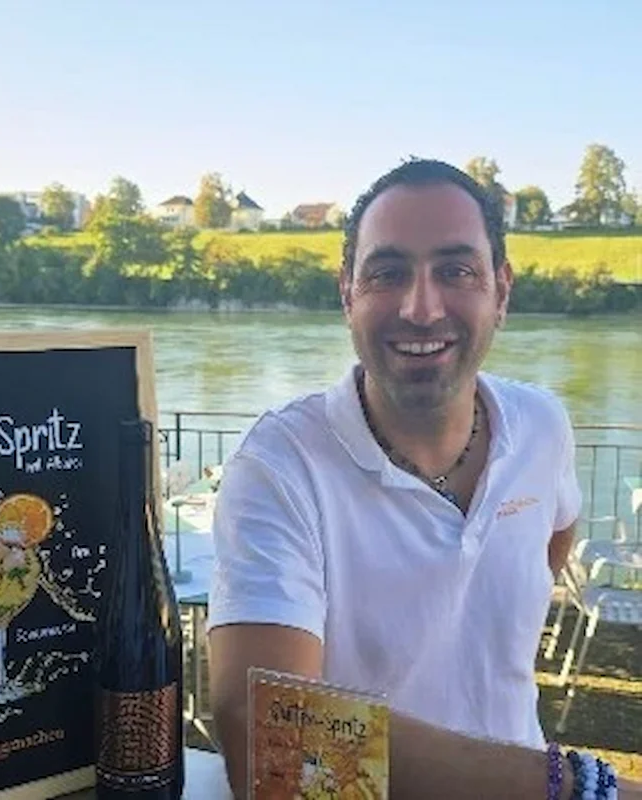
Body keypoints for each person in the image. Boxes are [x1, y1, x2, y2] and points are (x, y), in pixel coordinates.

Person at [206, 159, 642, 799]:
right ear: (346, 293)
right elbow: (266, 735)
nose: (420, 307)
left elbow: (554, 537)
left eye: (455, 270)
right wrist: (571, 786)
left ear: (502, 290)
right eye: (388, 273)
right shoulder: (281, 465)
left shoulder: (542, 427)